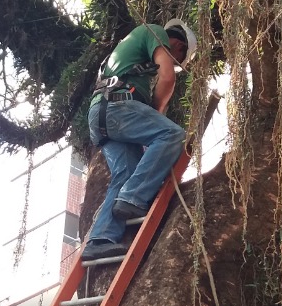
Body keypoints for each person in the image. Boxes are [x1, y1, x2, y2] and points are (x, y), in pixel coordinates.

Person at [81, 19, 196, 261]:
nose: (173, 63)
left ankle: (100, 238)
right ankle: (132, 198)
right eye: (176, 58)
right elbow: (167, 78)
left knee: (125, 174)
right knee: (172, 134)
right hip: (116, 106)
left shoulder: (132, 63)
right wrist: (156, 112)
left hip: (100, 115)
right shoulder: (154, 32)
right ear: (178, 44)